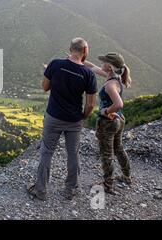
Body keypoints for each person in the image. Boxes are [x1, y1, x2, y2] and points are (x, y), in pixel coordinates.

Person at [28, 38, 98, 201]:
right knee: (73, 153)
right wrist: (82, 117)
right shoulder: (88, 74)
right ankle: (71, 189)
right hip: (73, 120)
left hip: (53, 117)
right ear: (85, 52)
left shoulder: (55, 64)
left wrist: (53, 75)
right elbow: (90, 104)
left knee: (46, 152)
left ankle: (41, 190)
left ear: (70, 49)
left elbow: (45, 87)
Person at [84, 53, 132, 194]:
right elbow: (92, 67)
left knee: (106, 154)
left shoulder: (110, 84)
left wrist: (106, 111)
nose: (102, 64)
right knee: (119, 149)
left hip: (108, 123)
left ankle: (107, 185)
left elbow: (119, 103)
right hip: (119, 119)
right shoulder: (115, 77)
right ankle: (126, 176)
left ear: (109, 67)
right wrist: (79, 60)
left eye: (104, 62)